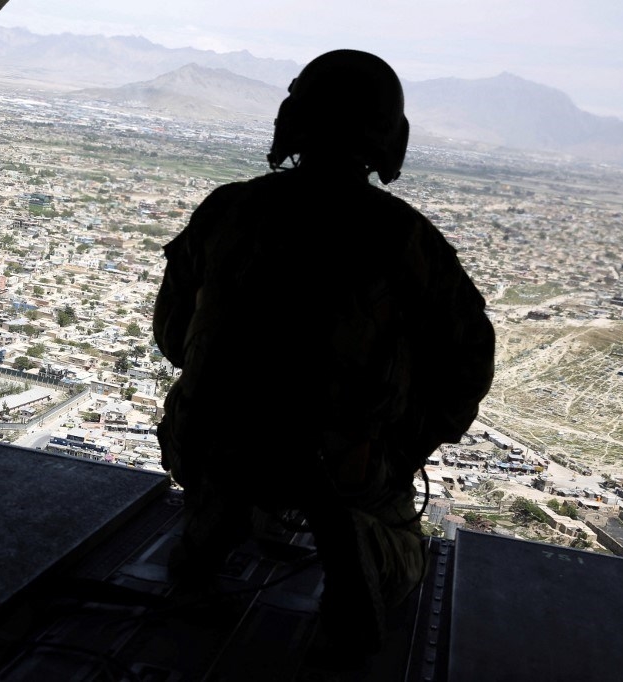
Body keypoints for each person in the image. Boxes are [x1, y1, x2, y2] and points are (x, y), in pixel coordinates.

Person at [152, 49, 495, 653]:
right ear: (390, 137)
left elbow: (171, 333)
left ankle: (207, 537)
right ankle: (363, 544)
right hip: (341, 464)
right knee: (402, 544)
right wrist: (401, 441)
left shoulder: (228, 210)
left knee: (230, 462)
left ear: (293, 121)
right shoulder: (406, 239)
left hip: (213, 440)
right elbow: (466, 367)